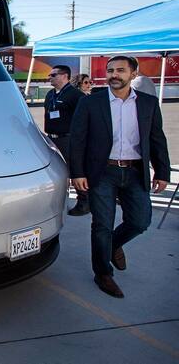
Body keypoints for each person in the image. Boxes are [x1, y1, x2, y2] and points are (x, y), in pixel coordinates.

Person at [69, 55, 170, 298]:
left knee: (140, 221)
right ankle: (103, 273)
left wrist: (162, 171)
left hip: (135, 172)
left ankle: (113, 245)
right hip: (102, 172)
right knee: (102, 225)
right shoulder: (92, 102)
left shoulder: (147, 103)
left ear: (133, 74)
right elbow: (78, 139)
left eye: (120, 70)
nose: (114, 74)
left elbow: (156, 138)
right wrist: (77, 173)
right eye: (110, 70)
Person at [43, 65, 88, 215]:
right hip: (52, 139)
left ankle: (84, 201)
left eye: (53, 75)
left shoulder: (76, 95)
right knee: (54, 170)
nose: (50, 77)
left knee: (75, 170)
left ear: (65, 76)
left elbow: (84, 119)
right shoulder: (50, 94)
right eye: (50, 75)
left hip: (68, 139)